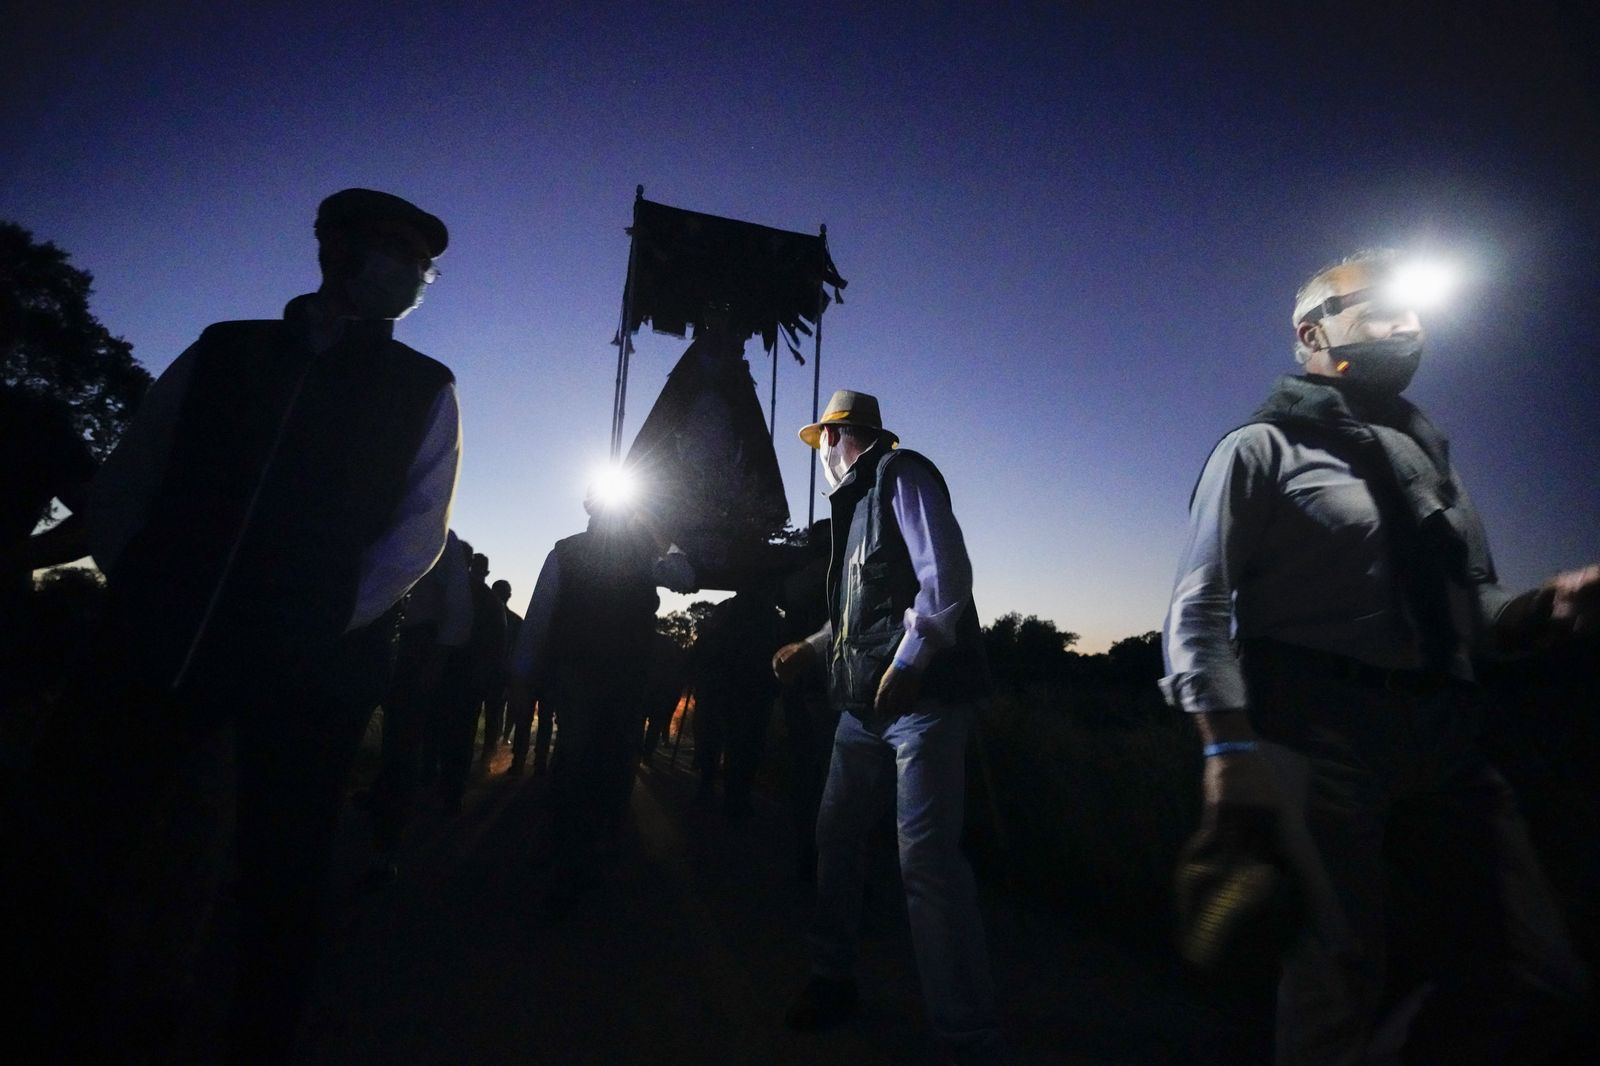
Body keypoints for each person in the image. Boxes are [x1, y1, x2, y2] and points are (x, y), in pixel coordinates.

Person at [4, 188, 461, 1063]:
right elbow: (133, 473)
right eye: (393, 251)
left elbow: (415, 534)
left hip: (304, 672)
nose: (410, 273)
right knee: (77, 840)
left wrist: (318, 621)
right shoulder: (226, 350)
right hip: (153, 648)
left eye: (421, 263)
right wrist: (147, 583)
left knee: (283, 879)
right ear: (334, 248)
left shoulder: (424, 387)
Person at [1160, 248, 1596, 1063]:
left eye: (1420, 310)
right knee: (1336, 986)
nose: (1412, 325)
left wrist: (1549, 604)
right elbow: (1200, 604)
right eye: (1385, 306)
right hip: (1319, 737)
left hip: (1446, 738)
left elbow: (1469, 608)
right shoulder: (1262, 448)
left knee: (1538, 978)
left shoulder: (1424, 455)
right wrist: (1225, 747)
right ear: (1311, 332)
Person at [771, 389, 1000, 1064]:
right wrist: (811, 649)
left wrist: (913, 659)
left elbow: (946, 577)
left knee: (925, 861)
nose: (821, 458)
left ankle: (966, 1033)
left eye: (823, 443)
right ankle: (831, 977)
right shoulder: (853, 509)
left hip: (921, 702)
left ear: (843, 435)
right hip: (864, 705)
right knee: (835, 837)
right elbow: (858, 616)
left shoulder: (902, 474)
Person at [506, 491, 692, 899]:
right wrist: (658, 533)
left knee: (580, 759)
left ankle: (571, 846)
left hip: (592, 676)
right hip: (610, 677)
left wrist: (522, 679)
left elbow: (537, 619)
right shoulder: (638, 556)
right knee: (600, 761)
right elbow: (685, 576)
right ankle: (585, 846)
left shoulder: (568, 553)